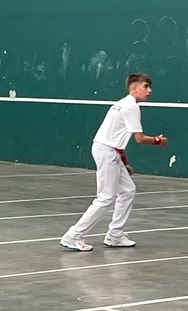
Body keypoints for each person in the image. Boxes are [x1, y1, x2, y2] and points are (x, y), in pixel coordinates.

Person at [59, 73, 168, 251]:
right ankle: (73, 235)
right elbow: (139, 138)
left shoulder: (121, 103)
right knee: (105, 198)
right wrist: (158, 140)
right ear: (134, 88)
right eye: (146, 86)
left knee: (127, 190)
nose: (149, 91)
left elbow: (117, 137)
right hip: (107, 152)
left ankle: (115, 235)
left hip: (109, 151)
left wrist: (123, 162)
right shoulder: (131, 107)